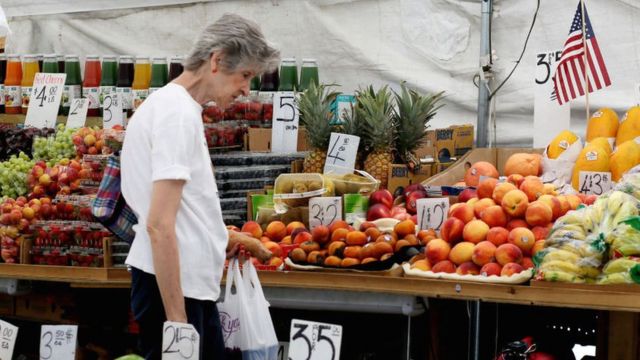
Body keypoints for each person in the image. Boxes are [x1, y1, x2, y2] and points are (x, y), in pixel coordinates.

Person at [120, 14, 280, 359]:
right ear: (217, 60)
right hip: (177, 295)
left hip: (180, 286)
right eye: (245, 75)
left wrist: (218, 240)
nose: (245, 89)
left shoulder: (172, 107)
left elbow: (180, 213)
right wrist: (178, 324)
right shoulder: (176, 115)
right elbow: (159, 224)